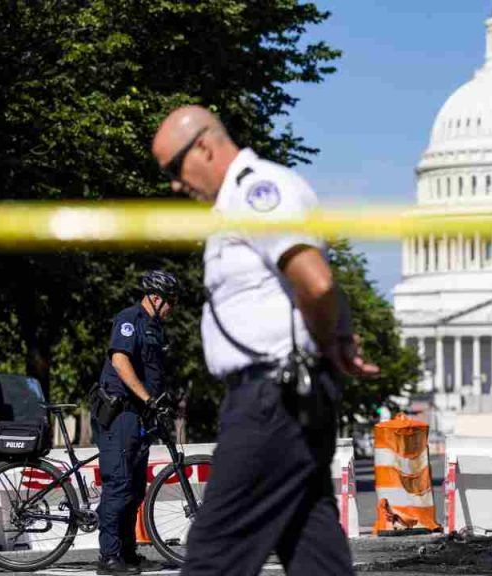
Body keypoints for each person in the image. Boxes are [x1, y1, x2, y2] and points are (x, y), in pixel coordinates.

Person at [151, 106, 378, 576]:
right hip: (285, 396)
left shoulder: (256, 192)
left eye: (174, 168)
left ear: (204, 147)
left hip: (271, 397)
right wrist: (335, 336)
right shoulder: (236, 202)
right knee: (314, 551)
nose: (175, 184)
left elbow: (316, 282)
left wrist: (326, 342)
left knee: (214, 554)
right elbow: (318, 283)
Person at [93, 270, 179, 575]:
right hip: (120, 413)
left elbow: (153, 370)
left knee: (135, 488)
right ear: (155, 298)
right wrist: (147, 397)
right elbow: (120, 360)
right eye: (170, 302)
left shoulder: (155, 328)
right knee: (118, 484)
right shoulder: (129, 319)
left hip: (140, 415)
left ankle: (128, 553)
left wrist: (162, 400)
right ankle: (108, 557)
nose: (172, 308)